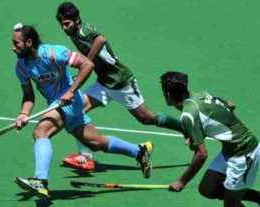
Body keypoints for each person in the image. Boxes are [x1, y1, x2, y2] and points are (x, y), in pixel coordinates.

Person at [11, 23, 153, 198]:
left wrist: (71, 91)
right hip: (59, 105)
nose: (13, 48)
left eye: (16, 43)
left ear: (29, 42)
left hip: (70, 100)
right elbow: (28, 96)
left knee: (41, 132)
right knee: (96, 143)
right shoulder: (21, 67)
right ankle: (138, 152)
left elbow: (87, 64)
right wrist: (23, 114)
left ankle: (40, 180)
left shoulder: (54, 53)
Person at [55, 2, 183, 171]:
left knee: (146, 118)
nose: (64, 28)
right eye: (61, 25)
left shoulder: (83, 30)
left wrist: (86, 62)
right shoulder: (73, 34)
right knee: (77, 110)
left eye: (67, 24)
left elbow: (100, 39)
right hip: (103, 83)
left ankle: (184, 127)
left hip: (121, 81)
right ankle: (86, 157)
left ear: (77, 19)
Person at [160, 71, 260, 207]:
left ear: (168, 95)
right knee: (208, 189)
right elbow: (231, 105)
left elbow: (202, 154)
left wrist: (182, 181)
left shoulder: (188, 115)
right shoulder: (200, 95)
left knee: (231, 205)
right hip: (231, 150)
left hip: (244, 153)